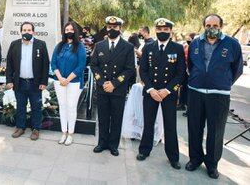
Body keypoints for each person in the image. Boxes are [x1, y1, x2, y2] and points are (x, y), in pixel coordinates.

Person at [186, 14, 243, 179]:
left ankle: (212, 164)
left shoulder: (232, 44)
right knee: (194, 127)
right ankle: (195, 159)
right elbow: (190, 64)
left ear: (221, 26)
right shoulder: (195, 42)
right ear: (204, 26)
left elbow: (237, 69)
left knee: (216, 131)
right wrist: (198, 78)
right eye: (208, 25)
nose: (212, 28)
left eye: (215, 25)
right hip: (195, 92)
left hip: (219, 96)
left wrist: (222, 82)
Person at [136, 18, 186, 170]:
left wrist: (167, 90)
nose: (162, 32)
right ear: (155, 30)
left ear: (171, 31)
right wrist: (150, 89)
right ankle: (144, 150)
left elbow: (181, 73)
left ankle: (173, 157)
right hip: (151, 92)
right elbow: (143, 70)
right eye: (159, 30)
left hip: (168, 93)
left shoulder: (177, 48)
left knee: (170, 125)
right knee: (148, 123)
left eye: (166, 30)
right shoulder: (148, 47)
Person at [90, 16, 135, 156]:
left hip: (118, 89)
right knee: (103, 117)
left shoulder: (128, 47)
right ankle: (102, 143)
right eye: (109, 27)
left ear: (120, 28)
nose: (112, 29)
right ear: (106, 28)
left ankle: (113, 145)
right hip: (103, 88)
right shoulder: (99, 45)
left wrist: (114, 84)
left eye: (115, 27)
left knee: (116, 118)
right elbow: (94, 65)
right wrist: (103, 82)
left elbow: (129, 69)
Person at [5, 21, 49, 140]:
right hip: (19, 82)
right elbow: (9, 64)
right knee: (20, 106)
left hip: (35, 83)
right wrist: (9, 80)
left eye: (29, 30)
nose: (26, 32)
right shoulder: (14, 44)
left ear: (33, 32)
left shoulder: (41, 44)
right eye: (24, 30)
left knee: (36, 107)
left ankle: (35, 129)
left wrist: (44, 82)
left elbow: (46, 65)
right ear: (20, 32)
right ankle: (20, 127)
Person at [51, 22, 86, 145]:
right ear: (64, 31)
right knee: (62, 106)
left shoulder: (80, 46)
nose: (69, 31)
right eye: (67, 29)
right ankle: (63, 132)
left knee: (71, 107)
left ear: (75, 31)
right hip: (59, 81)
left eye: (71, 29)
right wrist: (60, 78)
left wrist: (68, 79)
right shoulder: (59, 46)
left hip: (74, 82)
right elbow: (53, 63)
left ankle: (70, 133)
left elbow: (81, 65)